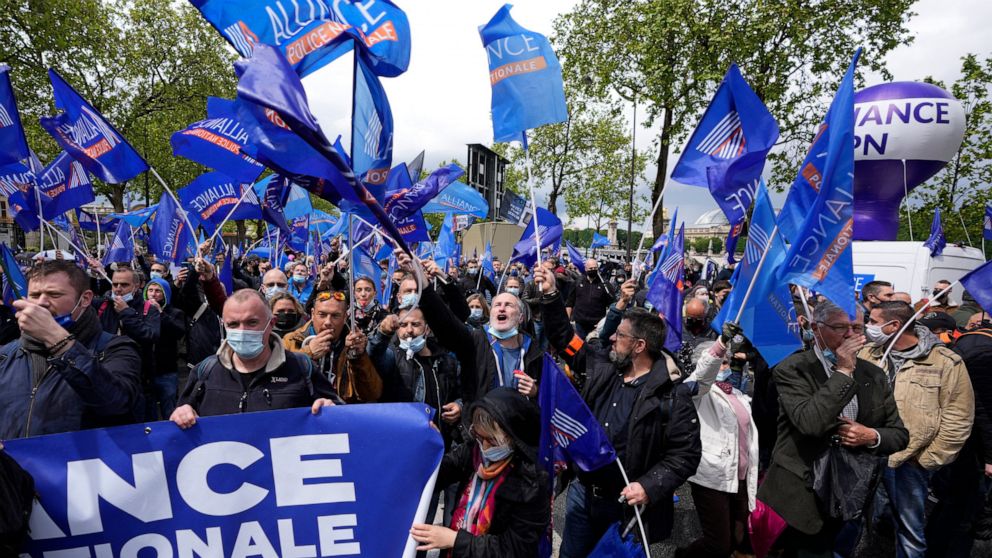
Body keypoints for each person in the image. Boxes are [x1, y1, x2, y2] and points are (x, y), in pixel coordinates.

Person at [533, 266, 702, 557]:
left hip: (626, 507)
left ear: (639, 346)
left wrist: (648, 486)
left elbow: (685, 455)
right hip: (582, 496)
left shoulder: (672, 395)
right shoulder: (601, 365)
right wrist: (550, 294)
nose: (612, 339)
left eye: (620, 336)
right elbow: (564, 338)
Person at [758, 300, 909, 557]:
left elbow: (899, 435)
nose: (851, 335)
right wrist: (843, 370)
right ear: (816, 329)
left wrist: (871, 436)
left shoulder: (874, 374)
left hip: (850, 491)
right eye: (840, 327)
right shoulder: (793, 368)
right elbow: (811, 423)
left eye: (857, 328)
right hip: (802, 493)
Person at [859, 300, 974, 558]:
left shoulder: (944, 361)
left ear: (894, 325)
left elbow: (959, 416)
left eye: (874, 322)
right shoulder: (868, 354)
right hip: (865, 453)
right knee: (857, 525)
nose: (869, 327)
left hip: (908, 461)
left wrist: (926, 460)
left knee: (910, 534)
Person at [0, 261, 142, 439]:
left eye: (54, 294)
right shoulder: (5, 355)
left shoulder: (115, 348)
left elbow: (116, 404)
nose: (42, 303)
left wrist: (57, 340)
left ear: (85, 299)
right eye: (35, 295)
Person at [409, 388, 549, 557]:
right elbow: (440, 473)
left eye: (491, 440)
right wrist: (431, 449)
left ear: (514, 439)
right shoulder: (473, 452)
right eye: (479, 437)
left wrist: (455, 540)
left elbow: (515, 549)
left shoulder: (531, 484)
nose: (484, 447)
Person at [171, 289, 338, 426]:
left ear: (271, 323)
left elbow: (340, 417)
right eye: (233, 324)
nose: (242, 331)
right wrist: (181, 413)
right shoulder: (206, 371)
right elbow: (182, 415)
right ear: (224, 325)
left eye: (252, 323)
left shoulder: (300, 368)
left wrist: (331, 408)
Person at [411, 253, 542, 403]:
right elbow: (445, 324)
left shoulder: (533, 350)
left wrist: (535, 391)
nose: (501, 309)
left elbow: (549, 395)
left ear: (520, 317)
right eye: (497, 305)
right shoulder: (475, 340)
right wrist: (423, 283)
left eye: (509, 305)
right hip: (481, 422)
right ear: (491, 313)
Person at [677, 328, 759, 558]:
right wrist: (721, 343)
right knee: (718, 544)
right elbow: (704, 374)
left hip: (740, 476)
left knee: (738, 536)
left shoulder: (738, 394)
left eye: (727, 362)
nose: (725, 367)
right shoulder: (699, 391)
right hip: (712, 476)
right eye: (721, 362)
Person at [926, 311, 992, 557]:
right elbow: (983, 409)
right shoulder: (983, 350)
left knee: (956, 501)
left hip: (962, 439)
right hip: (969, 443)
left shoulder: (971, 342)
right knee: (962, 505)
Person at [283, 289, 382, 403]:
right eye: (322, 315)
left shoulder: (352, 343)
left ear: (345, 317)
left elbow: (372, 395)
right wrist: (308, 353)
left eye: (335, 316)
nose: (328, 322)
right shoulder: (291, 339)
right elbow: (277, 385)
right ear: (312, 314)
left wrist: (358, 357)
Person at [93, 266, 161, 389]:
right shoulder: (102, 305)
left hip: (138, 377)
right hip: (104, 371)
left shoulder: (148, 309)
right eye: (115, 284)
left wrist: (126, 313)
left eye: (124, 285)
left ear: (135, 286)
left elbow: (151, 336)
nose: (118, 289)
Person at [143, 278, 187, 420]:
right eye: (150, 290)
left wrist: (160, 313)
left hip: (167, 370)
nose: (153, 294)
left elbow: (178, 332)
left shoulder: (175, 313)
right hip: (146, 372)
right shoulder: (141, 312)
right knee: (149, 412)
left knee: (170, 410)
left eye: (158, 291)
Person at [565, 258, 616, 339]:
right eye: (590, 268)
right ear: (585, 269)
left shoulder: (605, 285)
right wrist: (567, 320)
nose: (593, 270)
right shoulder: (578, 282)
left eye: (595, 268)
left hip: (597, 326)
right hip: (580, 324)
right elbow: (569, 302)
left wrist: (603, 321)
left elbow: (612, 305)